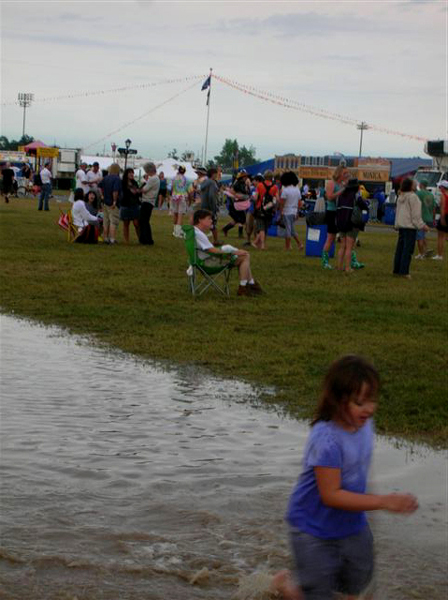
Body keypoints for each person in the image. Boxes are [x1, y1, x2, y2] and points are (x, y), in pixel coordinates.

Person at [273, 355, 418, 600]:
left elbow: (359, 470)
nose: (369, 409)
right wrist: (384, 501)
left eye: (372, 399)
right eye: (360, 402)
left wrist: (370, 507)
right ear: (339, 401)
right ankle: (284, 586)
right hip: (313, 530)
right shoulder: (326, 440)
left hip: (352, 526)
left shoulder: (365, 425)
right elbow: (331, 495)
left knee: (361, 591)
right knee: (316, 596)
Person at [193, 209, 263, 297]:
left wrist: (231, 251)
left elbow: (210, 249)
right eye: (209, 219)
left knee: (240, 253)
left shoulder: (194, 231)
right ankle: (244, 287)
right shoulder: (199, 234)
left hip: (202, 260)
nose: (211, 221)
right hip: (208, 263)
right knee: (245, 256)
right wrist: (233, 253)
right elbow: (212, 250)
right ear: (200, 220)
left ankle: (250, 284)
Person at [393, 177, 428, 278]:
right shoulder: (413, 197)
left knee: (400, 249)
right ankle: (404, 272)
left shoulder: (400, 196)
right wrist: (422, 225)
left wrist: (396, 224)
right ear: (411, 186)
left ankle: (397, 269)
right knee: (407, 250)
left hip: (401, 226)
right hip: (410, 227)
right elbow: (415, 215)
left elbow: (397, 212)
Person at [322, 165, 349, 269]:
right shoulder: (331, 183)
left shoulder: (342, 184)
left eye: (347, 173)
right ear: (339, 173)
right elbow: (329, 197)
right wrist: (342, 191)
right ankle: (325, 261)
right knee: (330, 237)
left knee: (345, 238)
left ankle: (343, 263)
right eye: (344, 173)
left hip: (341, 213)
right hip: (332, 212)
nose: (346, 175)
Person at [252, 170, 279, 250]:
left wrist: (253, 200)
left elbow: (256, 198)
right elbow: (277, 199)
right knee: (265, 228)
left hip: (260, 208)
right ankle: (260, 244)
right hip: (269, 209)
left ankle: (262, 245)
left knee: (261, 228)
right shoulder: (275, 187)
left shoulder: (260, 185)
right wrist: (275, 208)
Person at [279, 171, 304, 251]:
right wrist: (297, 212)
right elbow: (299, 203)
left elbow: (282, 203)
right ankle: (299, 244)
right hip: (294, 211)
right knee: (292, 229)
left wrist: (281, 212)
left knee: (288, 230)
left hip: (286, 211)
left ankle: (288, 246)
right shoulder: (297, 190)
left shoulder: (285, 190)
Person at [222, 170, 249, 239]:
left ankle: (226, 229)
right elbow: (233, 192)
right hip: (236, 204)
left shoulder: (242, 183)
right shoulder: (238, 184)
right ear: (242, 177)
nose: (246, 177)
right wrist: (239, 196)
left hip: (238, 203)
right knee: (241, 219)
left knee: (237, 220)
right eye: (245, 176)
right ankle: (240, 234)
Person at [98, 163, 121, 245]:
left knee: (106, 221)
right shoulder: (117, 179)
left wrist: (102, 196)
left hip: (105, 202)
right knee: (113, 221)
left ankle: (106, 238)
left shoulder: (105, 178)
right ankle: (112, 239)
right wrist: (114, 201)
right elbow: (115, 191)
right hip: (113, 204)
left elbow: (99, 187)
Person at [414, 179, 436, 259]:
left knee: (419, 237)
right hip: (429, 218)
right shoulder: (431, 195)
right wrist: (433, 219)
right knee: (422, 235)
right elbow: (434, 208)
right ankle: (426, 249)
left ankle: (421, 253)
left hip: (421, 218)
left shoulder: (418, 193)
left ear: (421, 185)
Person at [139, 162, 159, 245]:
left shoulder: (152, 179)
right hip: (150, 202)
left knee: (143, 221)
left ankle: (146, 239)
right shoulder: (156, 178)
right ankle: (147, 239)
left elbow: (145, 189)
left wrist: (139, 190)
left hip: (147, 201)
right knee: (145, 221)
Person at [200, 167, 220, 245]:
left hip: (204, 205)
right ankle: (216, 241)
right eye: (216, 174)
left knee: (203, 223)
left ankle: (201, 240)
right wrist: (213, 208)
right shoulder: (212, 183)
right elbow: (211, 196)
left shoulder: (204, 182)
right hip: (210, 207)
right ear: (213, 174)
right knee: (213, 224)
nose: (217, 175)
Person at [120, 168, 141, 244]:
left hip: (134, 205)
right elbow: (123, 193)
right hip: (125, 205)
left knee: (136, 223)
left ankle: (140, 239)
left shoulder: (135, 182)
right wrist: (130, 190)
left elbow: (138, 193)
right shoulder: (122, 183)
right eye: (130, 173)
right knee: (126, 223)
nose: (132, 174)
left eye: (132, 173)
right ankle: (126, 240)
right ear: (126, 174)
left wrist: (137, 191)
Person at [170, 165, 189, 238]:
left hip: (174, 196)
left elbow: (171, 188)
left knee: (175, 213)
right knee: (180, 214)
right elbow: (188, 189)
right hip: (182, 197)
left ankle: (175, 231)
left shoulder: (174, 178)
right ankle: (178, 232)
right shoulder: (186, 179)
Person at [432, 179, 448, 260]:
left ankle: (439, 255)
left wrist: (442, 218)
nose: (439, 187)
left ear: (443, 187)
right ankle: (440, 254)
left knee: (440, 237)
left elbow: (442, 208)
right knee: (444, 236)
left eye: (440, 186)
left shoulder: (443, 195)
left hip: (444, 216)